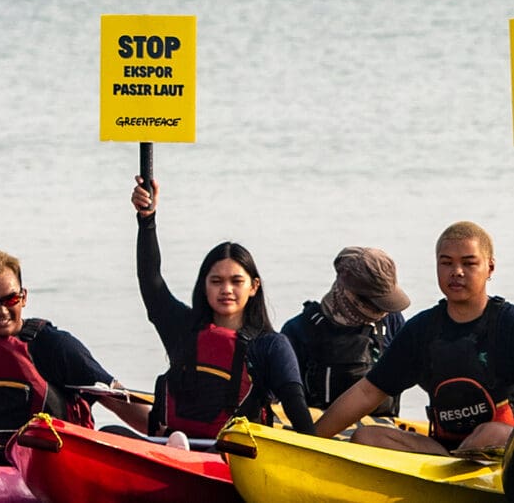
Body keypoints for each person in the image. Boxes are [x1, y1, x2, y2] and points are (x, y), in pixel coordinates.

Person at [131, 176, 315, 441]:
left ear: (254, 287)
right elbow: (151, 281)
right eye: (216, 281)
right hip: (174, 448)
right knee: (109, 432)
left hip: (236, 456)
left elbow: (298, 415)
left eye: (236, 281)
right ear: (203, 286)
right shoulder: (184, 328)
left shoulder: (271, 346)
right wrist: (147, 220)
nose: (226, 289)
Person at [314, 221, 514, 455]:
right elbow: (368, 392)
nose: (457, 272)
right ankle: (449, 470)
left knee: (489, 434)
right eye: (446, 263)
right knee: (365, 436)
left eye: (469, 263)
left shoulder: (506, 322)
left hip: (502, 447)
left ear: (490, 268)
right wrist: (309, 440)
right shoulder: (422, 329)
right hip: (442, 450)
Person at [0, 248, 150, 436]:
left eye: (10, 299)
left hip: (54, 459)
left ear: (24, 297)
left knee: (111, 431)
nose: (1, 311)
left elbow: (116, 398)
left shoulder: (55, 346)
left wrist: (163, 430)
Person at [281, 247, 409, 416]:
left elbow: (421, 371)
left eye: (384, 303)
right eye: (375, 303)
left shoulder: (392, 321)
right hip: (317, 430)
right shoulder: (298, 331)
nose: (381, 312)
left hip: (379, 428)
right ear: (348, 291)